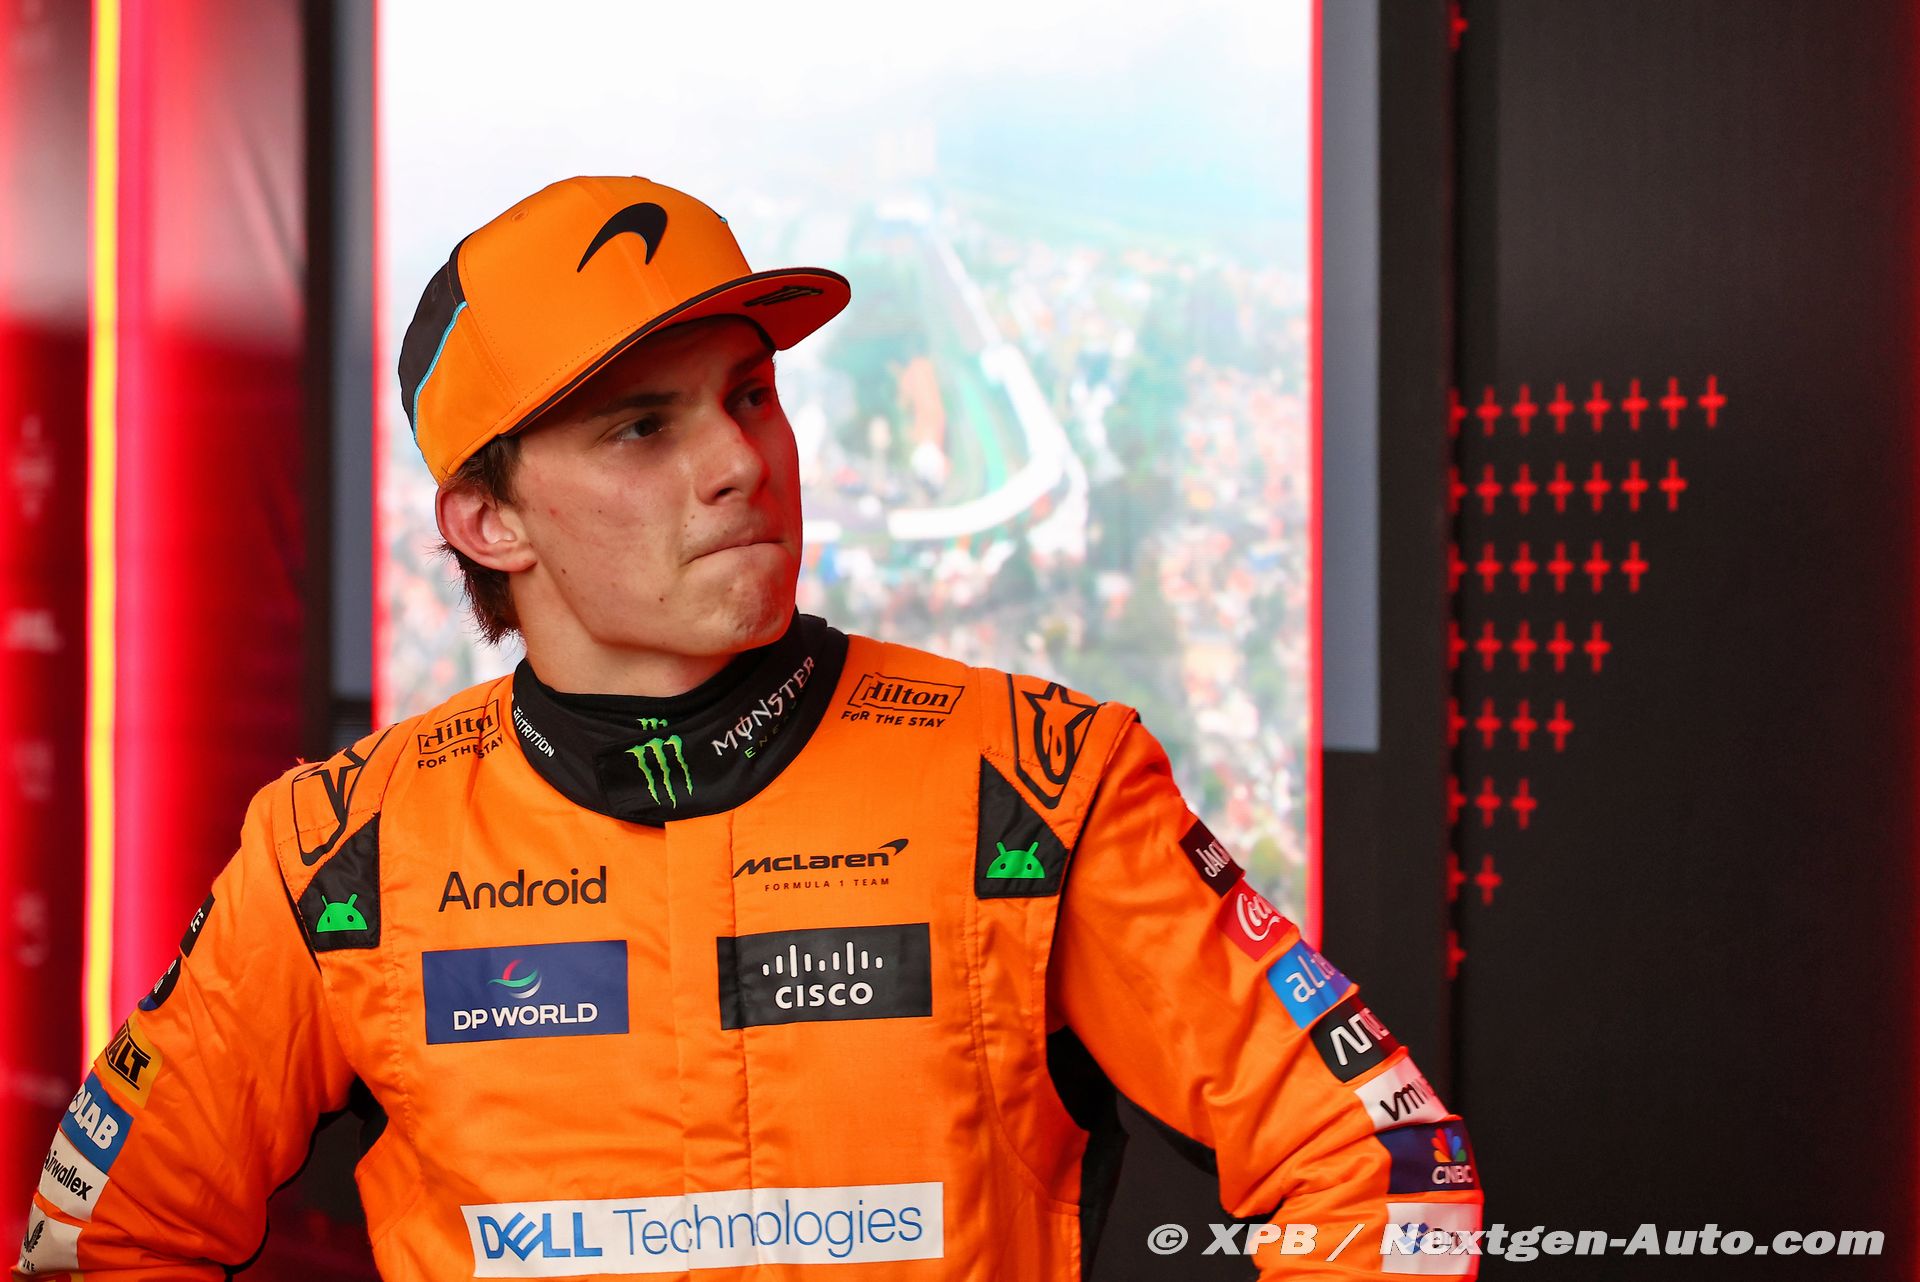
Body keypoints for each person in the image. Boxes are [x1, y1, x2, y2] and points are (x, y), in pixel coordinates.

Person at [16, 177, 1481, 1280]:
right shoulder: (340, 852)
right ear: (488, 519)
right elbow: (104, 1241)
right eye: (641, 427)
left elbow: (1385, 1166)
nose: (738, 460)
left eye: (751, 395)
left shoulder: (1034, 781)